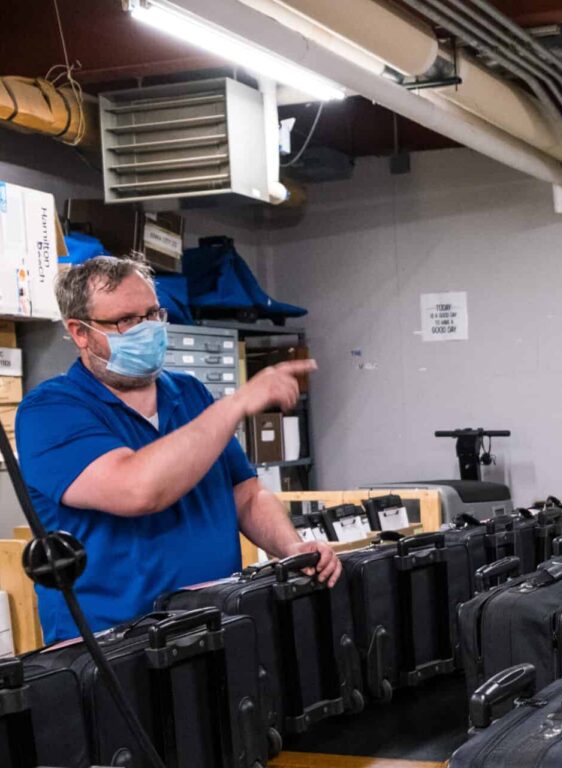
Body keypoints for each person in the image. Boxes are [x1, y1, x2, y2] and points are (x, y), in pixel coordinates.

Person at [15, 254, 340, 643]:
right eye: (127, 321)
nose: (147, 329)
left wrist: (291, 548)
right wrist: (235, 404)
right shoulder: (50, 411)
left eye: (153, 314)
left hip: (216, 625)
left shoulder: (189, 393)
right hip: (115, 647)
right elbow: (139, 489)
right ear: (80, 332)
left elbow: (245, 493)